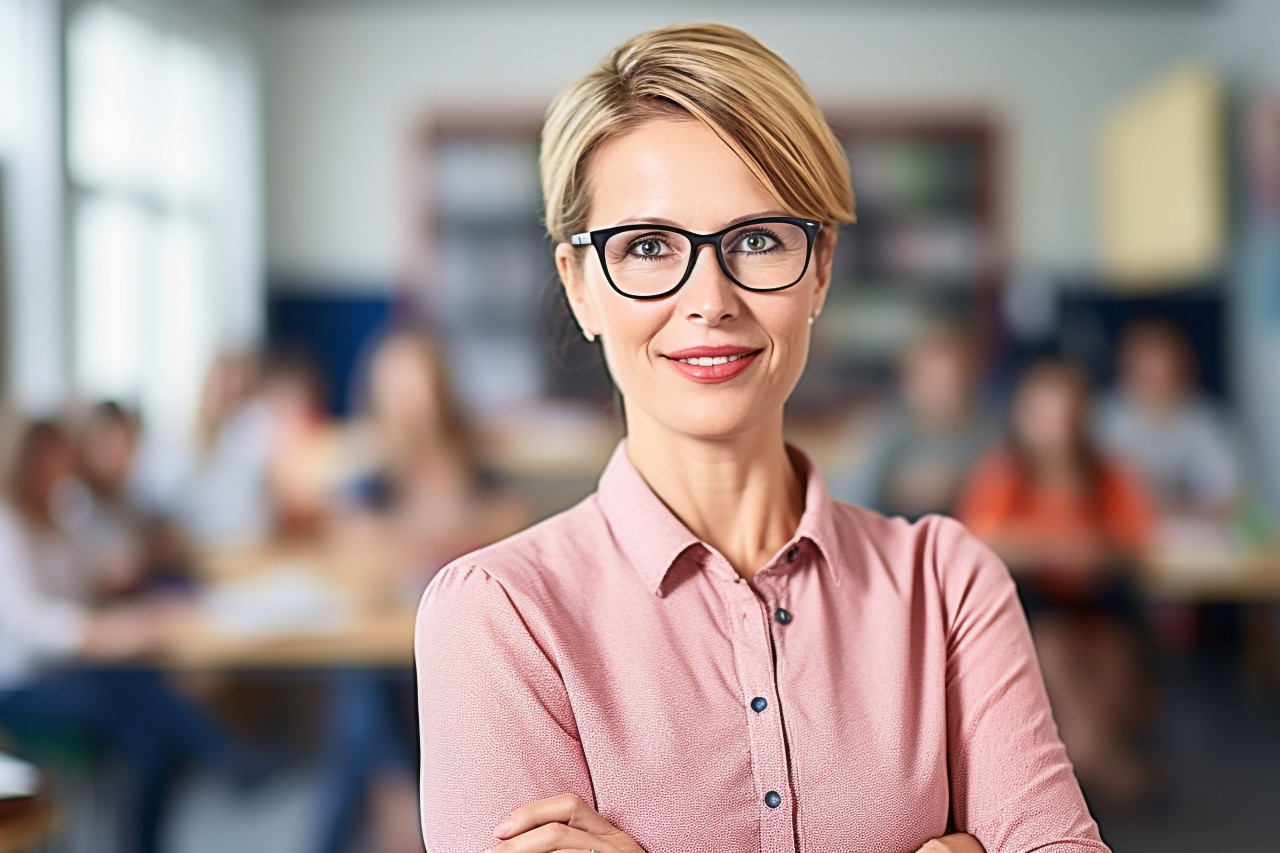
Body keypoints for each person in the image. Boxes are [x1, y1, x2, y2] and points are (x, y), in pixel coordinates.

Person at [415, 23, 1109, 853]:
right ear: (581, 288)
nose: (710, 298)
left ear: (818, 268)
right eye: (646, 246)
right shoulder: (498, 615)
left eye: (756, 240)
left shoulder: (948, 586)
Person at [313, 329, 526, 853]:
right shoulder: (375, 469)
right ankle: (399, 805)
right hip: (392, 642)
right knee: (364, 685)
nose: (415, 399)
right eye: (401, 386)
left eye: (423, 383)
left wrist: (402, 537)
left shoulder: (470, 458)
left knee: (359, 718)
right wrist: (454, 530)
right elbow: (352, 543)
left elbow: (511, 524)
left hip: (469, 645)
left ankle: (387, 809)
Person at [0, 414, 246, 853]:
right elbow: (36, 624)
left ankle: (151, 836)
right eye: (48, 464)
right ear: (25, 464)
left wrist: (134, 601)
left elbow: (85, 586)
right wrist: (107, 631)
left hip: (69, 671)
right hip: (23, 685)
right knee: (134, 698)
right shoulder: (8, 527)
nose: (59, 474)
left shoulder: (58, 519)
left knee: (151, 730)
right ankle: (228, 759)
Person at [956, 357, 1157, 809]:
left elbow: (1135, 537)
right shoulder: (1006, 472)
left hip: (1100, 600)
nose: (1057, 426)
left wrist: (1094, 551)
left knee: (1114, 656)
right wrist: (1057, 546)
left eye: (1068, 411)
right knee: (1053, 649)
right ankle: (1097, 757)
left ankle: (1091, 756)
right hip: (1036, 604)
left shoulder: (1108, 473)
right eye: (1045, 411)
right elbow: (979, 537)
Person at [831, 320, 998, 519]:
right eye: (932, 382)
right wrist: (898, 492)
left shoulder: (992, 433)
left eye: (953, 381)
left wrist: (960, 486)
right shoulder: (882, 428)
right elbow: (850, 502)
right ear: (908, 383)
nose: (943, 393)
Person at [1095, 317, 1242, 518]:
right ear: (1127, 368)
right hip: (1115, 529)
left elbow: (1230, 492)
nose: (1157, 382)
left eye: (1165, 371)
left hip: (1185, 532)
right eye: (1147, 373)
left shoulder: (1202, 418)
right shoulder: (1104, 416)